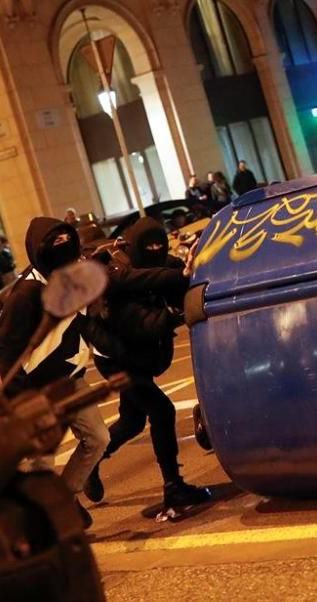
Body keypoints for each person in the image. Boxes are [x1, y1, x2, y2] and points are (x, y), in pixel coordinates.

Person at [0, 216, 115, 528]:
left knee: (98, 439)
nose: (64, 250)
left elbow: (86, 321)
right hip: (35, 391)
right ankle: (43, 526)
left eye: (66, 242)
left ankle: (66, 498)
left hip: (71, 380)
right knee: (40, 463)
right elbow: (7, 353)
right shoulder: (26, 295)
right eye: (54, 244)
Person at [84, 217, 210, 513]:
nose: (155, 250)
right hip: (117, 360)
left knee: (132, 421)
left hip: (137, 355)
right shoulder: (116, 277)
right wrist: (177, 312)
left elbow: (177, 274)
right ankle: (173, 487)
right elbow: (144, 324)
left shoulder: (157, 263)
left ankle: (90, 463)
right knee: (161, 410)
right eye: (148, 245)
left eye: (159, 244)